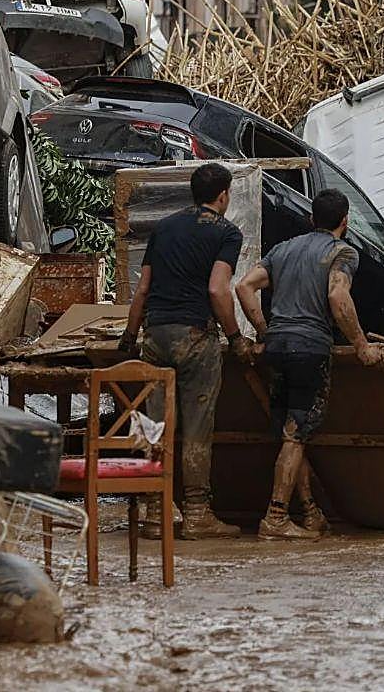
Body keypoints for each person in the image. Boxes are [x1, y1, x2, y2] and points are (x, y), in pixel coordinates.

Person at [235, 188, 384, 540]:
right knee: (296, 434)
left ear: (310, 218)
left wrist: (264, 330)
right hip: (309, 349)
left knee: (290, 434)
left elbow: (244, 287)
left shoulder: (283, 250)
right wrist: (361, 345)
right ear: (345, 222)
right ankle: (275, 518)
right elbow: (337, 295)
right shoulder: (342, 252)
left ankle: (310, 513)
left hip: (278, 349)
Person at [119, 163, 255, 539]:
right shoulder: (226, 232)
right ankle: (197, 514)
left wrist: (130, 336)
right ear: (224, 195)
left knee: (153, 424)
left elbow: (142, 290)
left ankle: (154, 512)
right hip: (195, 336)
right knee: (197, 427)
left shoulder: (163, 228)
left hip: (155, 335)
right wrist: (235, 336)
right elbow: (217, 290)